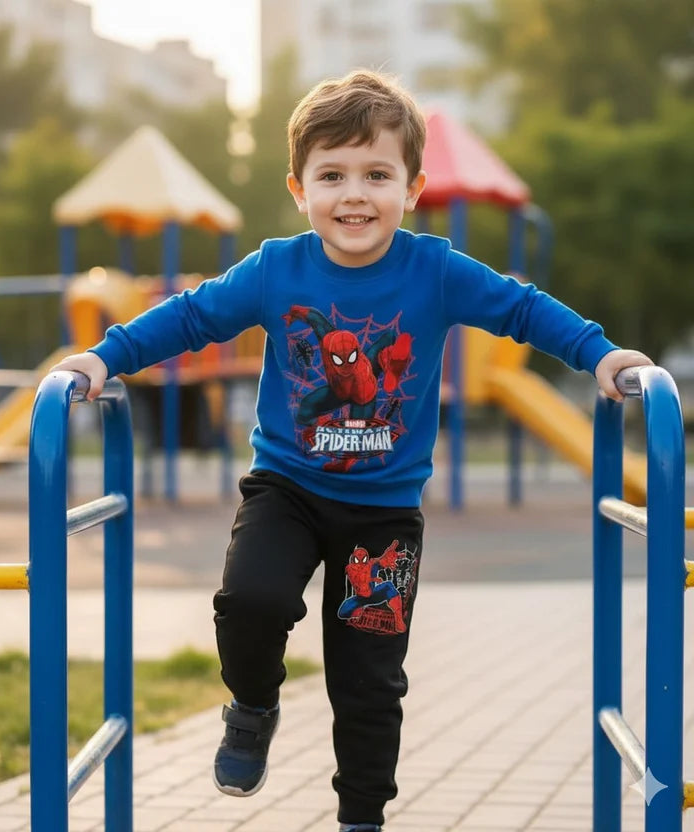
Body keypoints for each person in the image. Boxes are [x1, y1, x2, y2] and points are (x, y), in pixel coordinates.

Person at [49, 69, 652, 832]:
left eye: (377, 174)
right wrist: (105, 357)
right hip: (287, 490)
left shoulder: (434, 269)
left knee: (369, 683)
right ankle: (253, 704)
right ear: (300, 189)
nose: (354, 194)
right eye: (332, 175)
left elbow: (521, 308)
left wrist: (600, 355)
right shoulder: (278, 268)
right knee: (250, 602)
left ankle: (361, 819)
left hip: (384, 513)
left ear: (413, 187)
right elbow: (194, 317)